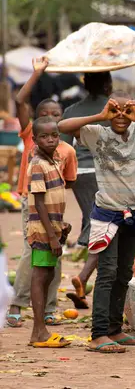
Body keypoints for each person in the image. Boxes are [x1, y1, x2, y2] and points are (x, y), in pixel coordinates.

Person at [58, 92, 135, 353]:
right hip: (107, 214)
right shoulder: (97, 132)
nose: (121, 116)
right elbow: (62, 126)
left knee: (124, 273)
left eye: (127, 110)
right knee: (107, 273)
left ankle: (114, 329)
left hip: (133, 215)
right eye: (115, 110)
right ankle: (98, 333)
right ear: (107, 110)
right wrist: (101, 115)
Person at [7, 57, 77, 328]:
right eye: (45, 115)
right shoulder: (30, 137)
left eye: (57, 117)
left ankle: (48, 308)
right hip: (33, 203)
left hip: (56, 208)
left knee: (55, 256)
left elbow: (68, 182)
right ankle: (17, 304)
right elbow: (20, 100)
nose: (51, 122)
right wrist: (37, 72)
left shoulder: (66, 150)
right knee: (30, 253)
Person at [60, 72, 112, 309]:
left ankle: (86, 286)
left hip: (79, 174)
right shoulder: (114, 109)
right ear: (108, 85)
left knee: (97, 223)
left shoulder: (71, 110)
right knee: (104, 225)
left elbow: (62, 146)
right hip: (105, 174)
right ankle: (84, 279)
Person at [26, 116, 73, 348]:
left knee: (49, 275)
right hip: (42, 230)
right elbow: (40, 203)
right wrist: (52, 235)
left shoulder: (54, 161)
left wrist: (60, 225)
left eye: (54, 135)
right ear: (34, 140)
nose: (50, 140)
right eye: (44, 136)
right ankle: (39, 331)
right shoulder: (37, 164)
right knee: (40, 275)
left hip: (52, 227)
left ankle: (39, 329)